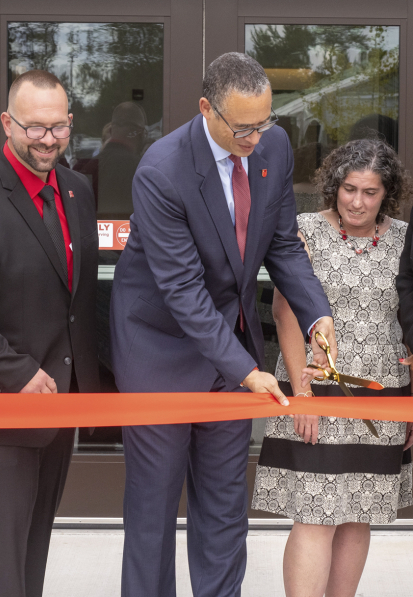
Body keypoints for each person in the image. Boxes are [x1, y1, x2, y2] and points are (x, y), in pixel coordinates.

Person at [110, 52, 336, 597]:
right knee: (154, 507)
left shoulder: (273, 148)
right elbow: (183, 292)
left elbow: (282, 244)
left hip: (230, 339)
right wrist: (248, 371)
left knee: (224, 504)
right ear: (207, 108)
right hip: (159, 347)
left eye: (264, 124)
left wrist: (317, 315)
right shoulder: (161, 171)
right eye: (242, 128)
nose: (255, 139)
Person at [252, 138, 413, 597]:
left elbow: (410, 320)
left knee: (358, 513)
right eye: (348, 189)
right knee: (316, 515)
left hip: (383, 397)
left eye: (370, 192)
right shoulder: (304, 231)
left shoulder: (403, 239)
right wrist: (303, 398)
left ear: (387, 194)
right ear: (333, 187)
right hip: (316, 390)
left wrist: (411, 405)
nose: (357, 201)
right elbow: (285, 314)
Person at [0, 70, 100, 597]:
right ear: (7, 123)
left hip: (61, 405)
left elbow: (76, 301)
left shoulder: (77, 189)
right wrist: (16, 374)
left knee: (35, 548)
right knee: (1, 558)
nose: (48, 139)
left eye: (58, 127)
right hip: (5, 407)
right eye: (35, 128)